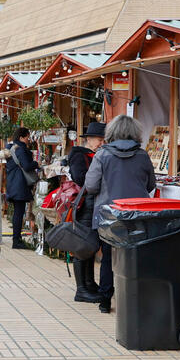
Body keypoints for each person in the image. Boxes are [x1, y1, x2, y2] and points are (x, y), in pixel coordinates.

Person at [84, 116, 156, 313]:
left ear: (111, 133)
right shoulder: (142, 155)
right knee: (135, 255)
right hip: (137, 214)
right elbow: (151, 184)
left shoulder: (102, 155)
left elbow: (90, 186)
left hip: (109, 214)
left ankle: (106, 300)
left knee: (108, 257)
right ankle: (133, 299)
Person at [67, 121, 105, 303]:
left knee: (90, 245)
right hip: (84, 206)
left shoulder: (97, 154)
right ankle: (81, 289)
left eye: (104, 139)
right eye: (99, 139)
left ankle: (90, 283)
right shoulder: (78, 155)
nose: (102, 143)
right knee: (82, 246)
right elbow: (80, 178)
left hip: (93, 205)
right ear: (89, 139)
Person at [4, 127, 40, 249]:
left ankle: (17, 239)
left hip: (13, 183)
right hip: (19, 184)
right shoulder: (20, 150)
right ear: (21, 137)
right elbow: (27, 165)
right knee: (18, 213)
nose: (28, 140)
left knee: (17, 213)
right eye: (27, 137)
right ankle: (16, 241)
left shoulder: (11, 148)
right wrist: (36, 163)